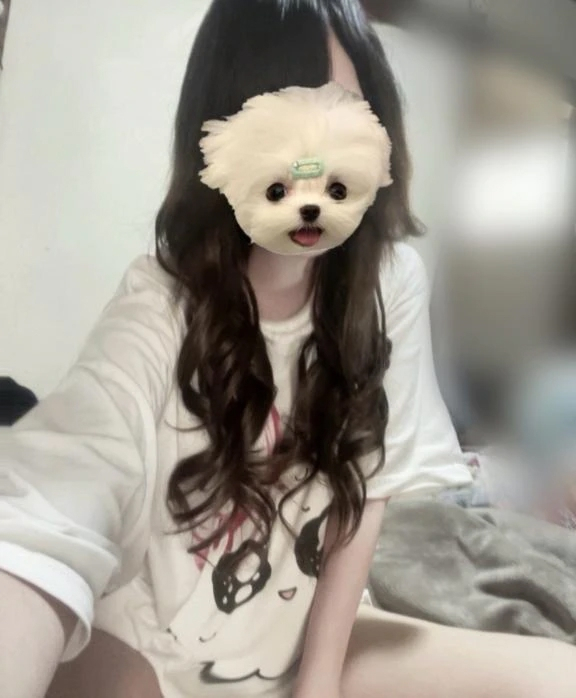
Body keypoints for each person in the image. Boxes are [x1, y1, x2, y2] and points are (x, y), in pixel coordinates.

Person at [1, 1, 575, 697]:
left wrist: (319, 681)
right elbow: (46, 512)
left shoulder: (388, 283)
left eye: (342, 119)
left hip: (309, 637)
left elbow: (367, 492)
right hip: (154, 647)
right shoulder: (158, 307)